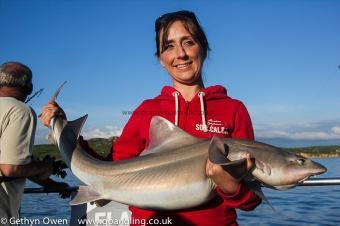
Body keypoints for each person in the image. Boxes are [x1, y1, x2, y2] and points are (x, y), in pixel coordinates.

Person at [41, 10, 261, 226]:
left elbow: (252, 200)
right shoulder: (147, 110)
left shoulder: (232, 110)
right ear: (160, 59)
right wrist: (63, 131)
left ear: (204, 47)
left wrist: (231, 188)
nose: (180, 54)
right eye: (169, 46)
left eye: (188, 42)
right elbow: (109, 170)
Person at [0, 61, 68, 224]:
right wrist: (46, 167)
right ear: (29, 88)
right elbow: (11, 168)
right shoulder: (20, 111)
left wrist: (50, 184)